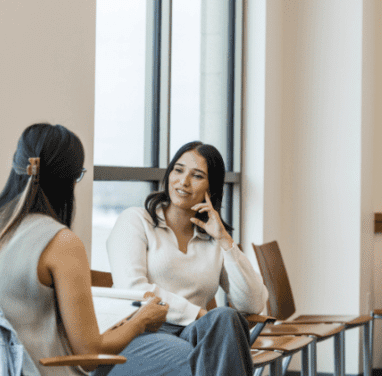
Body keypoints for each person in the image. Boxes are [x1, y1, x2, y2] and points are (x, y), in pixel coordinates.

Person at [0, 123, 172, 376]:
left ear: (17, 165)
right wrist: (142, 320)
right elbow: (89, 354)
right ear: (68, 179)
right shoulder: (61, 242)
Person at [105, 141, 269, 376]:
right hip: (137, 332)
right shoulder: (135, 221)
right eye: (178, 170)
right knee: (203, 357)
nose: (183, 181)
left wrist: (224, 240)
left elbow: (253, 303)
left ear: (211, 189)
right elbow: (133, 289)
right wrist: (198, 314)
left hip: (191, 334)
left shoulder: (212, 240)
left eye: (197, 175)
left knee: (225, 317)